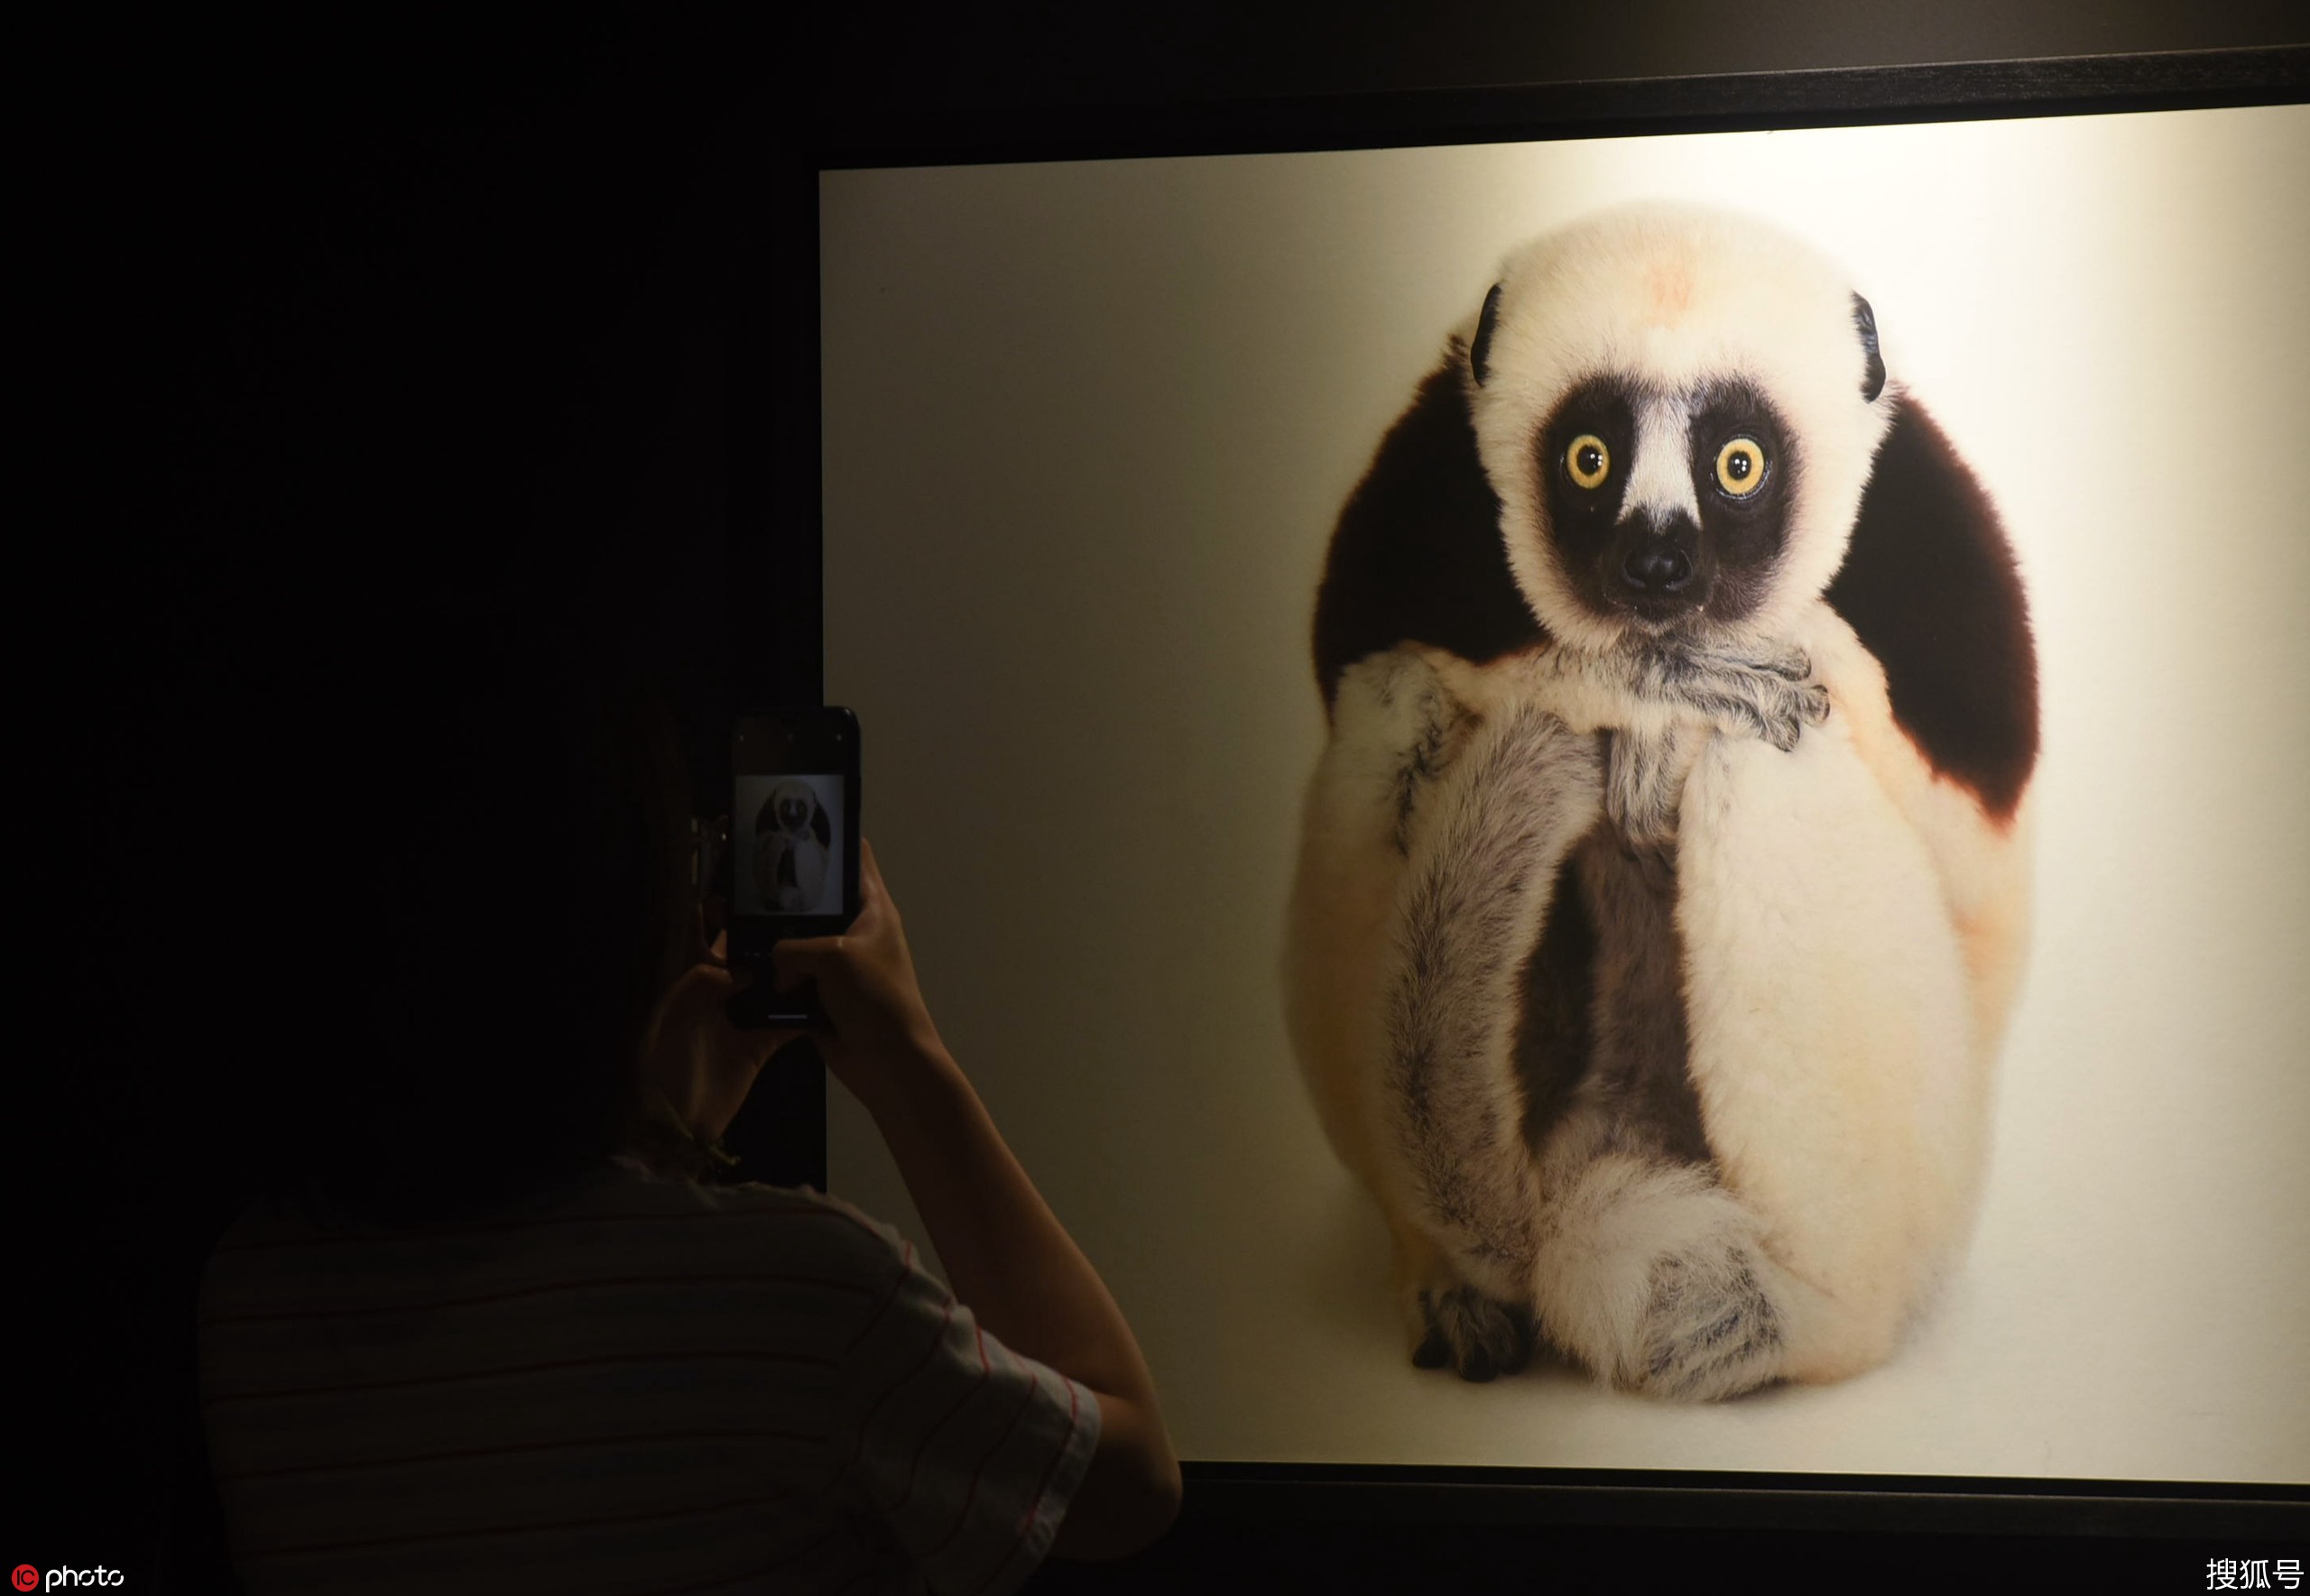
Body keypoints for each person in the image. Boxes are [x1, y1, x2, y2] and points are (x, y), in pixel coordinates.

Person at [193, 623, 1182, 1592]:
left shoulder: (253, 1287)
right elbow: (1128, 1483)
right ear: (636, 894)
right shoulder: (811, 1290)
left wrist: (658, 1142)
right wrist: (911, 1064)